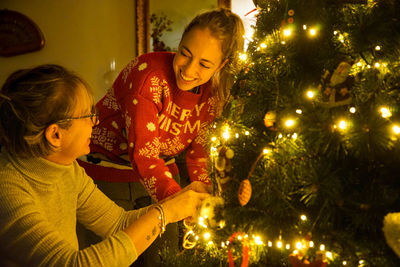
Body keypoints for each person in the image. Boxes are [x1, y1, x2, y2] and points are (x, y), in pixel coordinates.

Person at [0, 64, 210, 266]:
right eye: (88, 115)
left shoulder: (67, 168)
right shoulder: (8, 191)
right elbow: (73, 264)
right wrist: (165, 213)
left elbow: (117, 223)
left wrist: (176, 203)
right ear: (56, 134)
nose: (96, 122)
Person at [78, 8, 245, 203]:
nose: (189, 70)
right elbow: (144, 155)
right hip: (105, 170)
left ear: (221, 65)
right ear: (180, 42)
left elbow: (199, 157)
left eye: (204, 64)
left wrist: (205, 198)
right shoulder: (148, 76)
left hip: (162, 170)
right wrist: (178, 200)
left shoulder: (214, 95)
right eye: (185, 53)